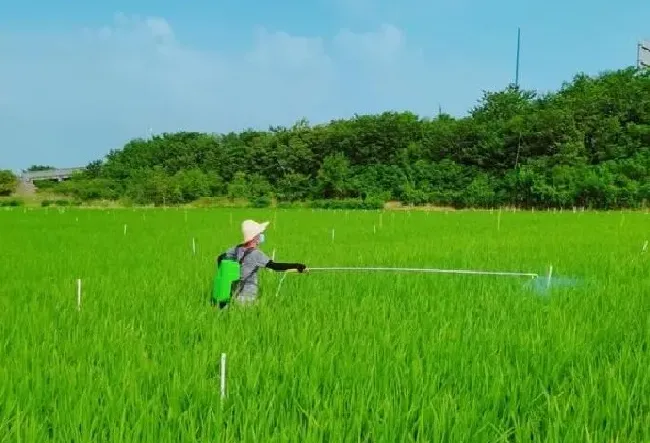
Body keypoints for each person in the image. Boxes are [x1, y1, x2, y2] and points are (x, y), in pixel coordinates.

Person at [215, 219, 307, 307]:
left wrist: (225, 277)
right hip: (248, 296)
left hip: (232, 293)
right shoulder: (256, 254)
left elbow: (219, 258)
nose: (262, 235)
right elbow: (275, 266)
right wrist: (297, 266)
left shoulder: (236, 249)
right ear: (254, 237)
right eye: (260, 234)